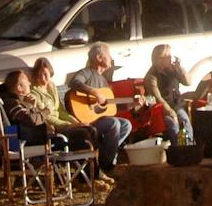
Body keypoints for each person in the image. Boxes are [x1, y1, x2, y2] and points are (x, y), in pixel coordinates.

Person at [63, 44, 133, 182]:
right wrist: (94, 92)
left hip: (100, 119)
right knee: (113, 124)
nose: (112, 58)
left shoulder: (103, 80)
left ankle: (103, 157)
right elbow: (74, 82)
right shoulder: (87, 72)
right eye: (109, 55)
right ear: (99, 57)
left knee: (126, 125)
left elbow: (108, 107)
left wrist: (133, 105)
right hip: (86, 121)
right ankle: (108, 166)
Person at [143, 43, 190, 144]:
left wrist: (180, 68)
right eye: (168, 57)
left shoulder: (172, 70)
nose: (171, 59)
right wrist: (171, 112)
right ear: (160, 59)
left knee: (184, 120)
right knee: (173, 125)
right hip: (161, 109)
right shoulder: (151, 76)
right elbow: (156, 97)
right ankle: (178, 149)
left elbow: (188, 82)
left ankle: (187, 147)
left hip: (177, 106)